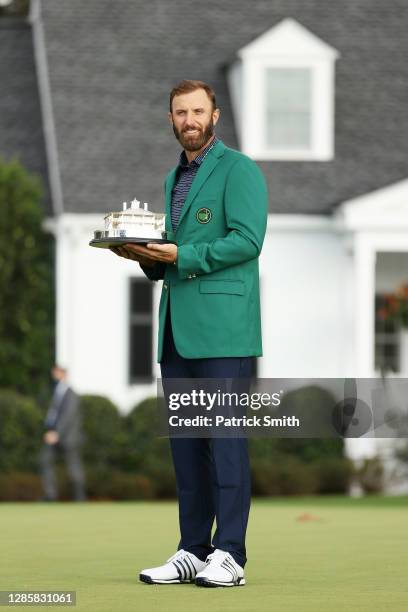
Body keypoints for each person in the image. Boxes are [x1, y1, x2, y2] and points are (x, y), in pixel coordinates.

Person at [111, 80, 267, 587]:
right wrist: (141, 256)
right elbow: (167, 263)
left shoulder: (239, 170)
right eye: (181, 112)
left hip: (224, 334)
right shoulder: (170, 179)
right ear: (171, 120)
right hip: (175, 333)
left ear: (215, 116)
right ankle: (193, 549)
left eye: (198, 110)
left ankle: (232, 555)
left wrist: (181, 257)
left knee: (224, 442)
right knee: (187, 447)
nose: (190, 119)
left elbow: (247, 241)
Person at [40, 366, 86, 501]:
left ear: (64, 374)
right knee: (45, 460)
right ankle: (50, 495)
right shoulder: (56, 392)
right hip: (54, 435)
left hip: (68, 438)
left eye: (57, 373)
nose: (54, 376)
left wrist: (57, 433)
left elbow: (68, 417)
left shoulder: (71, 394)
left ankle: (80, 497)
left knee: (73, 468)